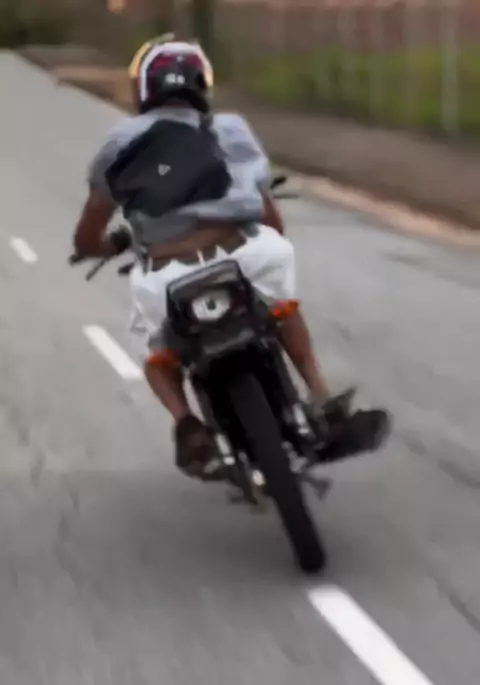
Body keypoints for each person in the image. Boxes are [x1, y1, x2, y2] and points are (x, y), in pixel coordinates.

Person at [72, 35, 389, 478]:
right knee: (281, 306)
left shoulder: (118, 143)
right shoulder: (232, 128)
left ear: (143, 88)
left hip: (166, 277)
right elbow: (271, 219)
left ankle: (187, 424)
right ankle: (319, 394)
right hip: (244, 257)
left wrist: (101, 247)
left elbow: (89, 229)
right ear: (201, 84)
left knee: (159, 356)